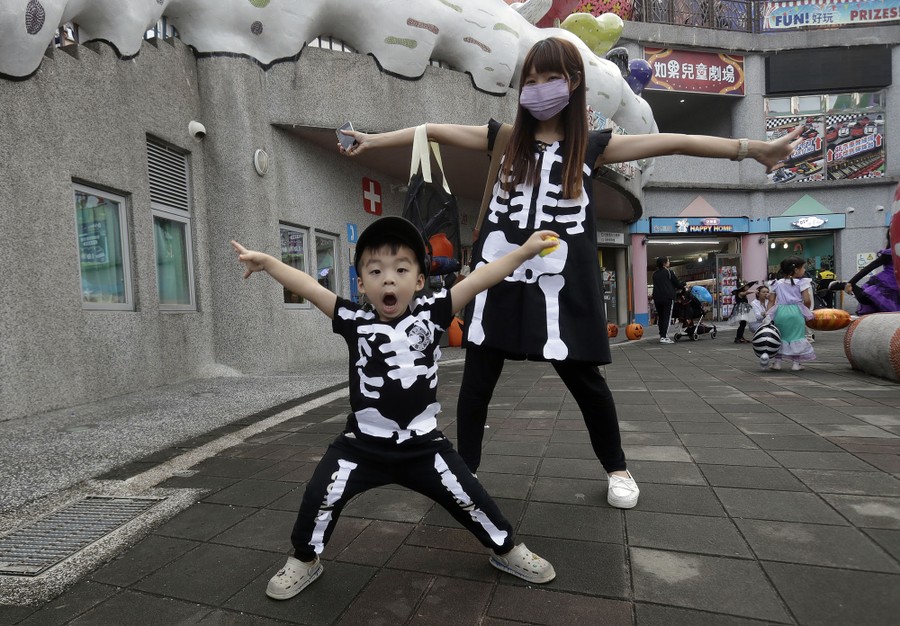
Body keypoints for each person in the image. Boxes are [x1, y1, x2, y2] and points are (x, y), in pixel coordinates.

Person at [340, 37, 802, 509]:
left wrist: (750, 148)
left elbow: (675, 140)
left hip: (558, 283)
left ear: (574, 82)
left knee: (586, 382)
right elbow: (432, 130)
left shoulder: (592, 147)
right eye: (530, 81)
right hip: (499, 275)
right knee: (478, 380)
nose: (538, 90)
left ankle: (617, 467)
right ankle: (466, 473)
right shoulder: (504, 140)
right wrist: (374, 140)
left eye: (550, 79)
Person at [232, 216, 560, 600]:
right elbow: (308, 286)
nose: (388, 279)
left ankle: (505, 549)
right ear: (361, 284)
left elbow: (480, 278)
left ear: (418, 281)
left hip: (424, 445)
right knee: (320, 494)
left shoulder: (434, 311)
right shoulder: (352, 319)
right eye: (376, 271)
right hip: (360, 445)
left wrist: (524, 250)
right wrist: (269, 263)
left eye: (401, 269)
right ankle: (305, 559)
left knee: (469, 495)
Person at [829, 232, 900, 315]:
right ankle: (845, 285)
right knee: (866, 299)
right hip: (888, 281)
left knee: (889, 309)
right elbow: (870, 267)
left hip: (897, 284)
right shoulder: (889, 253)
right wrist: (851, 283)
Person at [766, 256, 816, 371]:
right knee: (797, 336)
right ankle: (796, 363)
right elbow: (807, 300)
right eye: (803, 267)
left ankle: (777, 363)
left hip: (780, 312)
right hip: (796, 312)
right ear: (796, 270)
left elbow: (772, 301)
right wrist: (805, 310)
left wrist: (768, 314)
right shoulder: (802, 283)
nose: (804, 270)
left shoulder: (776, 283)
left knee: (780, 336)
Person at [652, 257, 684, 344]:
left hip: (657, 298)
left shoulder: (655, 274)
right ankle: (664, 336)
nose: (669, 262)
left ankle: (661, 334)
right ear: (664, 263)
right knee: (667, 316)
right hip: (667, 297)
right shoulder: (669, 272)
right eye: (668, 261)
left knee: (661, 316)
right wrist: (683, 285)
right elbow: (677, 283)